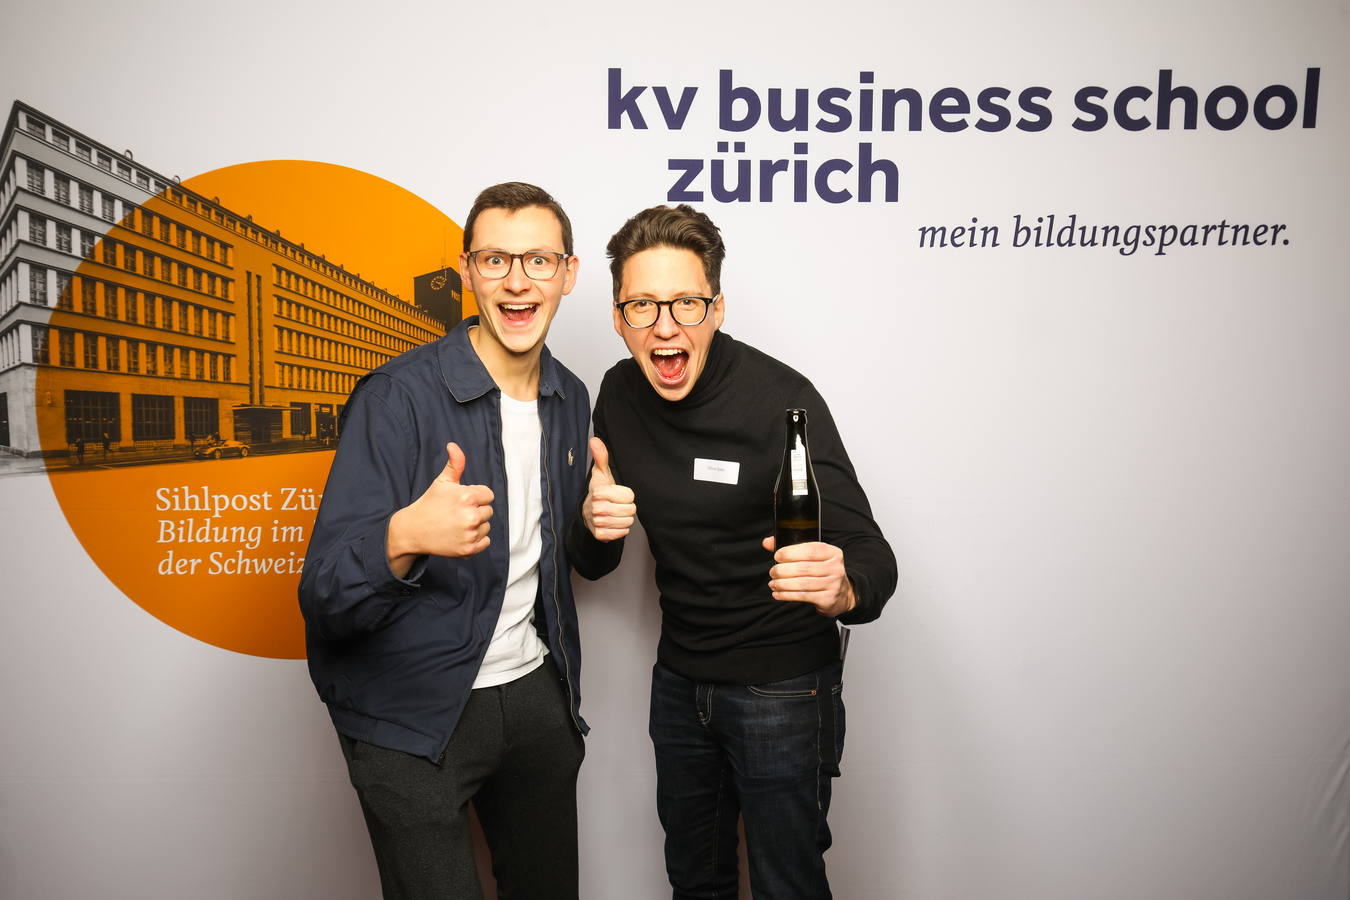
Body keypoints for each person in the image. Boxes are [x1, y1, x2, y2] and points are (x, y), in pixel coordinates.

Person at [566, 204, 897, 900]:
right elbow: (594, 563)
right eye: (641, 305)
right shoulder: (617, 395)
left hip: (783, 690)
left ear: (716, 309)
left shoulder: (781, 401)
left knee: (786, 885)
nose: (665, 326)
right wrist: (594, 525)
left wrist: (843, 588)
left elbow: (871, 553)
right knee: (695, 883)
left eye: (686, 302)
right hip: (679, 686)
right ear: (619, 319)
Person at [299, 183, 590, 900]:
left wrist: (597, 527)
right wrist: (402, 536)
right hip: (408, 712)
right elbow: (324, 596)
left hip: (531, 695)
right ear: (466, 271)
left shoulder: (571, 397)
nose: (517, 281)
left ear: (568, 274)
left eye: (538, 260)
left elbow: (570, 563)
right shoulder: (394, 398)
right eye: (495, 260)